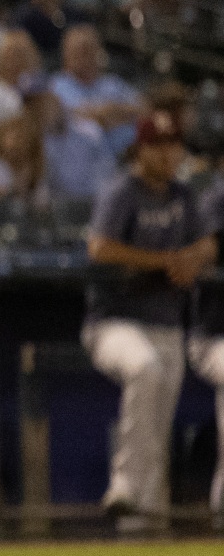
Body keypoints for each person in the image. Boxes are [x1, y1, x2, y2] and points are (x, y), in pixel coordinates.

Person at [84, 112, 210, 533]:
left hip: (168, 324)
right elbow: (100, 248)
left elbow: (207, 243)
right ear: (140, 149)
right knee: (145, 369)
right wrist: (162, 261)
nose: (168, 154)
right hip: (115, 322)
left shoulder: (183, 195)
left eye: (174, 145)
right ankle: (123, 482)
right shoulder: (122, 191)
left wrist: (191, 259)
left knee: (156, 436)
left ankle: (141, 538)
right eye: (158, 145)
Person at [51, 24, 143, 155]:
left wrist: (114, 110)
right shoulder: (56, 86)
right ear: (65, 54)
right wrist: (102, 115)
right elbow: (65, 118)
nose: (83, 57)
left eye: (88, 50)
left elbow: (143, 108)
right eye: (78, 51)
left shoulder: (112, 83)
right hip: (81, 160)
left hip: (126, 156)